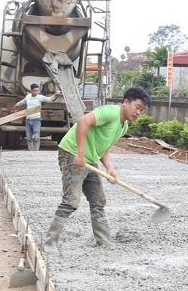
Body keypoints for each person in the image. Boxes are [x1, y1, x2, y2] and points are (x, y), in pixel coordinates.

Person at [44, 86, 150, 252]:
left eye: (142, 110)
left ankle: (104, 242)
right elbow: (82, 122)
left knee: (98, 201)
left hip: (90, 159)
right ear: (126, 102)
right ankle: (49, 242)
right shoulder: (110, 112)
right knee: (71, 201)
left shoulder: (124, 126)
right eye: (137, 107)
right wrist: (79, 154)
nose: (138, 112)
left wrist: (110, 168)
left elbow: (103, 146)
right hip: (72, 153)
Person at [14, 83, 61, 151]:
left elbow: (49, 100)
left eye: (37, 90)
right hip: (28, 119)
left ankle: (36, 151)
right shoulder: (28, 96)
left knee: (36, 136)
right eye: (35, 90)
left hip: (36, 120)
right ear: (31, 90)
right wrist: (16, 105)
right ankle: (31, 150)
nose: (36, 92)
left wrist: (55, 95)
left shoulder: (40, 97)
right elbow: (23, 101)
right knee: (29, 137)